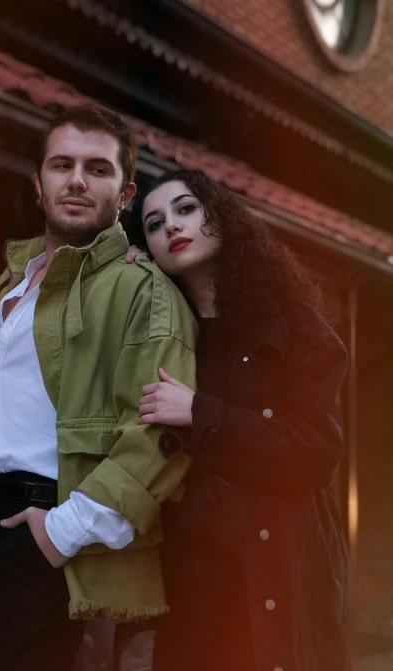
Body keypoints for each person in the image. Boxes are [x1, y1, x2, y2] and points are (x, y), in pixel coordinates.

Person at [0, 106, 197, 671]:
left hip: (39, 534)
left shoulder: (141, 290)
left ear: (125, 194)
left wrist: (59, 533)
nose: (76, 180)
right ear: (39, 183)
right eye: (62, 164)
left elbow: (157, 440)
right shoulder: (12, 281)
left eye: (97, 169)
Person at [128, 169, 350, 671]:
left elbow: (314, 451)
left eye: (186, 209)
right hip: (187, 584)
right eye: (155, 224)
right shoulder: (158, 337)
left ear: (223, 218)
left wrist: (198, 412)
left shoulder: (295, 327)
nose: (172, 228)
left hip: (270, 581)